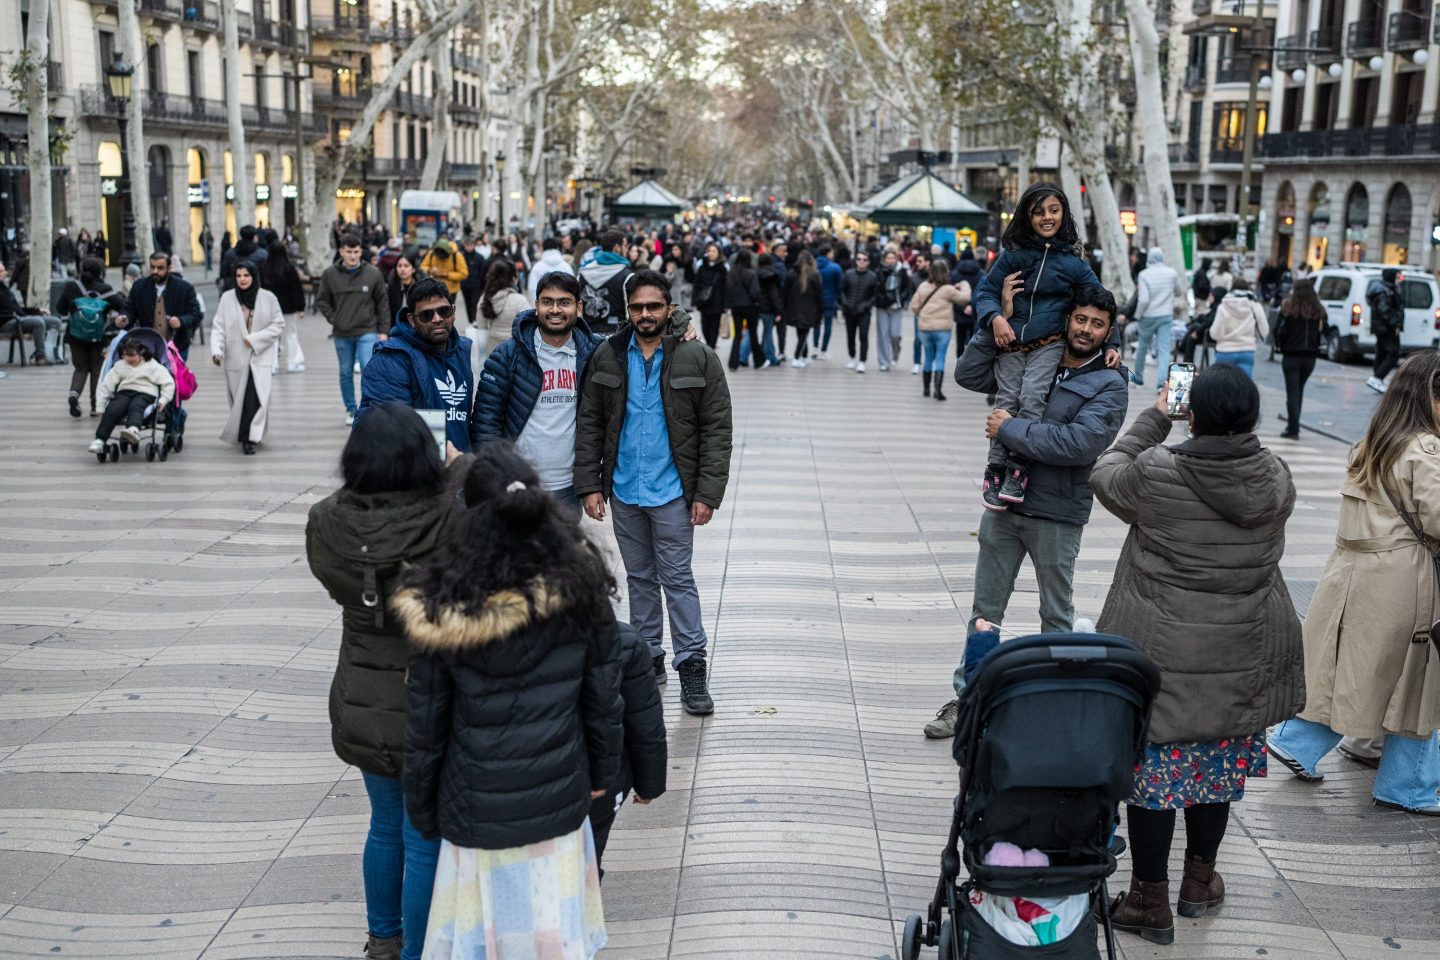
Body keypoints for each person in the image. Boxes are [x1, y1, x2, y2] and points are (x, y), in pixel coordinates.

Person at [1091, 364, 1304, 943]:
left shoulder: (1158, 472)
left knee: (1157, 772)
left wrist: (1158, 415)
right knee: (1215, 766)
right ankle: (1199, 883)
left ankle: (1147, 899)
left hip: (1163, 652)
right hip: (1241, 650)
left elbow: (1105, 471)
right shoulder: (1276, 480)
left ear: (1195, 412)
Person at [396, 443, 624, 960]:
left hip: (473, 814)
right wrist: (599, 779)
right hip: (557, 809)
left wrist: (425, 811)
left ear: (467, 516)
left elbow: (425, 726)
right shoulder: (581, 589)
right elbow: (602, 702)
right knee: (550, 940)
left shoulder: (439, 607)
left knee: (484, 942)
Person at [924, 286, 1128, 738]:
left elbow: (1080, 445)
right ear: (1067, 318)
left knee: (1056, 614)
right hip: (1003, 506)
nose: (1086, 330)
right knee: (985, 610)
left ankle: (1050, 706)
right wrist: (1002, 321)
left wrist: (1011, 428)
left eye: (1097, 325)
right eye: (1080, 320)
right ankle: (969, 699)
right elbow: (968, 374)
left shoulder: (1110, 384)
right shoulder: (1039, 352)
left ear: (1109, 332)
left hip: (1057, 513)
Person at [305, 405, 460, 960]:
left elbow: (331, 580)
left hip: (361, 697)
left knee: (384, 824)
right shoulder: (443, 518)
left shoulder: (326, 521)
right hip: (428, 696)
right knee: (424, 835)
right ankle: (417, 950)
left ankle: (383, 939)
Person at [1267, 351, 1440, 816]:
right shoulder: (1425, 450)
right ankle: (1410, 786)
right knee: (1417, 683)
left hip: (1353, 569)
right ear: (1432, 397)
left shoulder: (1377, 439)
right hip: (1401, 578)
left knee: (1349, 669)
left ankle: (1298, 742)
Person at [575, 269, 733, 715]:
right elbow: (589, 423)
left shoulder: (696, 356)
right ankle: (647, 658)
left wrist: (707, 494)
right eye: (637, 308)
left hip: (673, 494)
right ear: (628, 310)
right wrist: (590, 484)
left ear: (669, 308)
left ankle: (692, 665)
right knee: (640, 580)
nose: (645, 315)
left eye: (653, 307)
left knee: (677, 578)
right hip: (625, 489)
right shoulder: (608, 355)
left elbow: (717, 430)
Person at [965, 182, 1116, 510]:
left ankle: (1018, 469)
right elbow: (986, 292)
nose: (1047, 217)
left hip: (1048, 344)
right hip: (1011, 343)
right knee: (1007, 400)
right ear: (1027, 217)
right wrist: (996, 319)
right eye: (1039, 212)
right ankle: (995, 469)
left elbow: (1100, 302)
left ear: (1063, 213)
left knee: (1033, 397)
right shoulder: (1014, 257)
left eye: (1054, 210)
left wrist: (1112, 343)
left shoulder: (1075, 264)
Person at [472, 273, 598, 512]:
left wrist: (680, 323)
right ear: (536, 305)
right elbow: (485, 421)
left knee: (561, 550)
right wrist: (494, 477)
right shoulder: (508, 355)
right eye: (547, 301)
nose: (555, 309)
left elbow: (640, 337)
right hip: (517, 483)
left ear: (579, 307)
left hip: (568, 488)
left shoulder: (593, 352)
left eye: (564, 302)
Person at [358, 277, 474, 454]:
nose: (437, 319)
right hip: (418, 471)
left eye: (444, 311)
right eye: (427, 315)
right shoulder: (391, 360)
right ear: (412, 319)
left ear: (454, 311)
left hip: (460, 468)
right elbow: (390, 431)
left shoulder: (461, 350)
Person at [588, 620, 667, 876]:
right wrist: (649, 782)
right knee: (585, 863)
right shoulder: (617, 638)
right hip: (594, 784)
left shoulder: (471, 634)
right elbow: (643, 719)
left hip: (490, 789)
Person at [317, 233, 390, 425]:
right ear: (341, 251)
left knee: (369, 369)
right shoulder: (330, 274)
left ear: (361, 252)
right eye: (349, 252)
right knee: (345, 371)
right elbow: (322, 301)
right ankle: (351, 409)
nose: (352, 256)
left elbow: (382, 302)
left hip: (368, 329)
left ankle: (369, 408)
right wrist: (335, 319)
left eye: (356, 252)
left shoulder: (373, 273)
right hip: (342, 332)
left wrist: (384, 331)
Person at [211, 261, 283, 455]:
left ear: (254, 276)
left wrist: (256, 340)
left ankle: (248, 438)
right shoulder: (227, 298)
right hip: (235, 357)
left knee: (257, 397)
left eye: (246, 275)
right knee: (239, 400)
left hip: (261, 356)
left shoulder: (268, 298)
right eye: (239, 276)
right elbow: (219, 326)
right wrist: (217, 350)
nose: (242, 279)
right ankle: (249, 435)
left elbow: (278, 324)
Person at [58, 257, 124, 417]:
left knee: (80, 368)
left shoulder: (71, 286)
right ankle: (96, 406)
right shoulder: (105, 289)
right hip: (99, 337)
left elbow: (60, 308)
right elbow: (123, 306)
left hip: (75, 335)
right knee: (96, 370)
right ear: (100, 271)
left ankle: (74, 394)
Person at [86, 337, 176, 454]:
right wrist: (100, 406)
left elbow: (168, 382)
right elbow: (107, 385)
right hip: (125, 391)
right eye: (126, 355)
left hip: (146, 392)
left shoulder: (153, 365)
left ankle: (133, 430)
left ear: (141, 353)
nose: (129, 359)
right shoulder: (120, 365)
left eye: (132, 355)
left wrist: (164, 400)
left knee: (136, 406)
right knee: (113, 409)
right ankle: (100, 440)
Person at [119, 252, 204, 362]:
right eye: (152, 267)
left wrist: (181, 321)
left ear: (169, 268)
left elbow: (195, 314)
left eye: (160, 268)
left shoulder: (184, 288)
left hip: (177, 346)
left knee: (173, 378)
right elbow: (129, 309)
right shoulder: (139, 286)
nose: (155, 271)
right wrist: (125, 318)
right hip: (147, 346)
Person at [908, 260, 970, 401]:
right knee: (940, 358)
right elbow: (964, 299)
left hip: (925, 328)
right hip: (942, 329)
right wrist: (964, 285)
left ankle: (925, 389)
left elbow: (914, 307)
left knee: (928, 357)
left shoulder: (923, 286)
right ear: (946, 272)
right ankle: (937, 391)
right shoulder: (948, 290)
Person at [1273, 278, 1326, 440]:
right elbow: (1325, 330)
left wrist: (1280, 345)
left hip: (1291, 355)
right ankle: (1293, 425)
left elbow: (1277, 330)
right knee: (1299, 390)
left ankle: (1293, 429)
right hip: (1310, 357)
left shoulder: (1288, 307)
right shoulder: (1318, 309)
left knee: (1293, 392)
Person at [1128, 246, 1182, 390]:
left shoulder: (1144, 275)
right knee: (1164, 349)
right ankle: (1161, 383)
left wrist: (1137, 316)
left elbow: (1144, 300)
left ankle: (1138, 380)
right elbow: (1179, 291)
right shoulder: (1172, 273)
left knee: (1142, 348)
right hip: (1165, 315)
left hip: (1148, 316)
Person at [261, 239, 308, 374]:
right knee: (291, 335)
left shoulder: (265, 269)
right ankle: (292, 363)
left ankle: (272, 365)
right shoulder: (289, 269)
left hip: (271, 309)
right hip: (289, 308)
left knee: (273, 337)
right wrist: (301, 308)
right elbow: (296, 290)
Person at [1208, 277, 1269, 377]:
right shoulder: (1255, 306)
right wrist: (1253, 336)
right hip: (1247, 350)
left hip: (1225, 351)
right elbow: (1264, 330)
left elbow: (1215, 334)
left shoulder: (1223, 306)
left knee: (1223, 387)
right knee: (1243, 387)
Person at [579, 229, 634, 334]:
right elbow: (630, 313)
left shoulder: (583, 273)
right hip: (616, 338)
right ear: (617, 248)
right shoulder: (627, 276)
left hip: (587, 335)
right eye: (625, 245)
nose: (627, 250)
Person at [0, 262, 51, 365]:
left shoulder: (4, 288)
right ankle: (40, 356)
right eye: (1, 271)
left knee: (54, 321)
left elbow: (17, 308)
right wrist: (18, 316)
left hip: (17, 318)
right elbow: (9, 310)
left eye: (4, 270)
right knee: (38, 322)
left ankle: (54, 354)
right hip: (5, 321)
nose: (5, 273)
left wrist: (37, 311)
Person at [478, 258, 530, 354]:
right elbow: (528, 330)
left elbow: (481, 333)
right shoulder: (520, 300)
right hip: (516, 351)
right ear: (514, 279)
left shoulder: (484, 299)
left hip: (492, 350)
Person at [1366, 267, 1405, 393]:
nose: (1400, 279)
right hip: (1386, 328)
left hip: (1382, 327)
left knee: (1382, 352)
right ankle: (1377, 377)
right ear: (1391, 277)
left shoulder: (1386, 289)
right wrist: (1395, 325)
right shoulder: (1385, 291)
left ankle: (1377, 379)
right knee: (1394, 353)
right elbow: (1385, 311)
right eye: (1398, 277)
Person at [782, 249, 822, 368]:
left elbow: (785, 292)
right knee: (804, 334)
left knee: (801, 333)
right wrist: (820, 311)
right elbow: (819, 296)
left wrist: (784, 308)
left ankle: (804, 356)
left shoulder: (791, 274)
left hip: (794, 309)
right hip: (809, 310)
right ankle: (797, 357)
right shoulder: (814, 275)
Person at [725, 248, 762, 371]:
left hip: (736, 307)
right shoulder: (752, 273)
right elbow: (755, 292)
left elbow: (728, 290)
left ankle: (733, 363)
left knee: (737, 336)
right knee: (753, 334)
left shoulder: (731, 273)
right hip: (750, 307)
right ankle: (758, 361)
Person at [874, 248, 909, 372]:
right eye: (888, 258)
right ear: (884, 259)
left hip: (897, 306)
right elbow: (876, 289)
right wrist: (883, 299)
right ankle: (884, 362)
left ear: (896, 259)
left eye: (893, 258)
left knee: (895, 334)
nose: (890, 260)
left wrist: (901, 299)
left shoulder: (902, 271)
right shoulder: (879, 271)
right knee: (883, 335)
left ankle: (895, 353)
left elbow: (906, 288)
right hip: (882, 307)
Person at [689, 241, 728, 348]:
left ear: (718, 253)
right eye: (709, 251)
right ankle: (710, 343)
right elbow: (696, 284)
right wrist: (694, 300)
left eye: (713, 251)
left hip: (717, 301)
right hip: (704, 300)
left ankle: (712, 345)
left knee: (714, 326)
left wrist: (726, 304)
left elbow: (726, 286)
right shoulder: (702, 267)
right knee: (705, 325)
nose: (711, 253)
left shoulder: (723, 268)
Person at [950, 248, 983, 364]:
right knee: (973, 339)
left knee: (959, 340)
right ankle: (971, 362)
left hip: (960, 311)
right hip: (975, 312)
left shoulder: (954, 273)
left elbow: (951, 293)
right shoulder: (981, 273)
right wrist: (972, 306)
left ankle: (959, 363)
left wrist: (963, 307)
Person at [755, 252, 784, 369]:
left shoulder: (754, 273)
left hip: (755, 306)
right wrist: (779, 310)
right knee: (767, 332)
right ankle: (771, 357)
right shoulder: (771, 275)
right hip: (768, 308)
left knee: (750, 333)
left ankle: (743, 355)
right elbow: (773, 294)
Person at [385, 250, 425, 329]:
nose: (402, 269)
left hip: (417, 328)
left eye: (406, 266)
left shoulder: (421, 287)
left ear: (413, 269)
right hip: (396, 328)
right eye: (399, 266)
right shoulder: (390, 287)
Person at [528, 235, 573, 303]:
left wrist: (536, 307)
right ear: (557, 248)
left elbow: (532, 289)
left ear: (543, 248)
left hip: (543, 306)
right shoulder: (566, 266)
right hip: (564, 306)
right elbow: (573, 287)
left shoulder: (537, 267)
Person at [457, 233, 488, 331]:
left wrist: (482, 286)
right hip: (465, 285)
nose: (469, 247)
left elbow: (483, 272)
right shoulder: (461, 256)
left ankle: (475, 321)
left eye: (471, 245)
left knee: (474, 304)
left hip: (476, 286)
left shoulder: (479, 257)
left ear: (474, 245)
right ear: (465, 246)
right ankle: (471, 321)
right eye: (467, 245)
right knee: (467, 303)